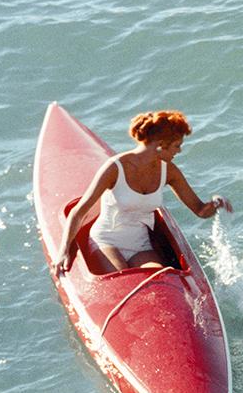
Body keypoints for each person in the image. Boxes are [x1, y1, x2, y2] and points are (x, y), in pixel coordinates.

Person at [56, 109, 231, 275]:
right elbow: (78, 213)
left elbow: (199, 210)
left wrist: (216, 203)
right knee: (123, 278)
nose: (179, 151)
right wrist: (64, 251)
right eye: (177, 145)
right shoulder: (115, 168)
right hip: (106, 240)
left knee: (158, 281)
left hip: (140, 245)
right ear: (161, 145)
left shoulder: (169, 171)